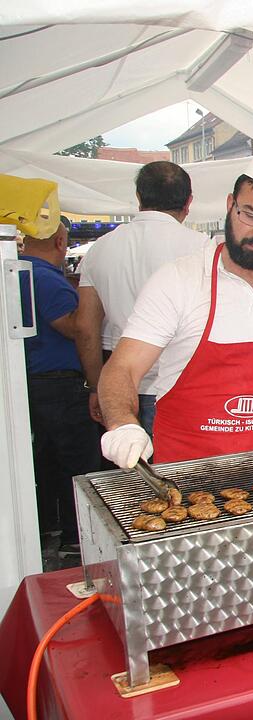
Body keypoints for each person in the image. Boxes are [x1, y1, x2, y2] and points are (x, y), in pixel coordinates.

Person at [96, 148, 253, 467]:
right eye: (250, 215)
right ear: (230, 205)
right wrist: (123, 424)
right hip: (184, 476)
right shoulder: (180, 279)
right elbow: (123, 368)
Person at [74, 161, 208, 436]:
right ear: (189, 201)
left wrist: (97, 386)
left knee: (134, 473)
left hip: (123, 387)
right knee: (183, 474)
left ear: (138, 197)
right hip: (185, 385)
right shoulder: (204, 248)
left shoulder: (101, 248)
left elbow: (85, 328)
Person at [19, 216, 100, 558]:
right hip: (60, 381)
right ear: (59, 242)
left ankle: (50, 527)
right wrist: (94, 311)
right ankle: (75, 535)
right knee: (80, 460)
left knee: (48, 459)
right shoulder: (46, 280)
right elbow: (75, 328)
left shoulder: (21, 271)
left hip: (36, 378)